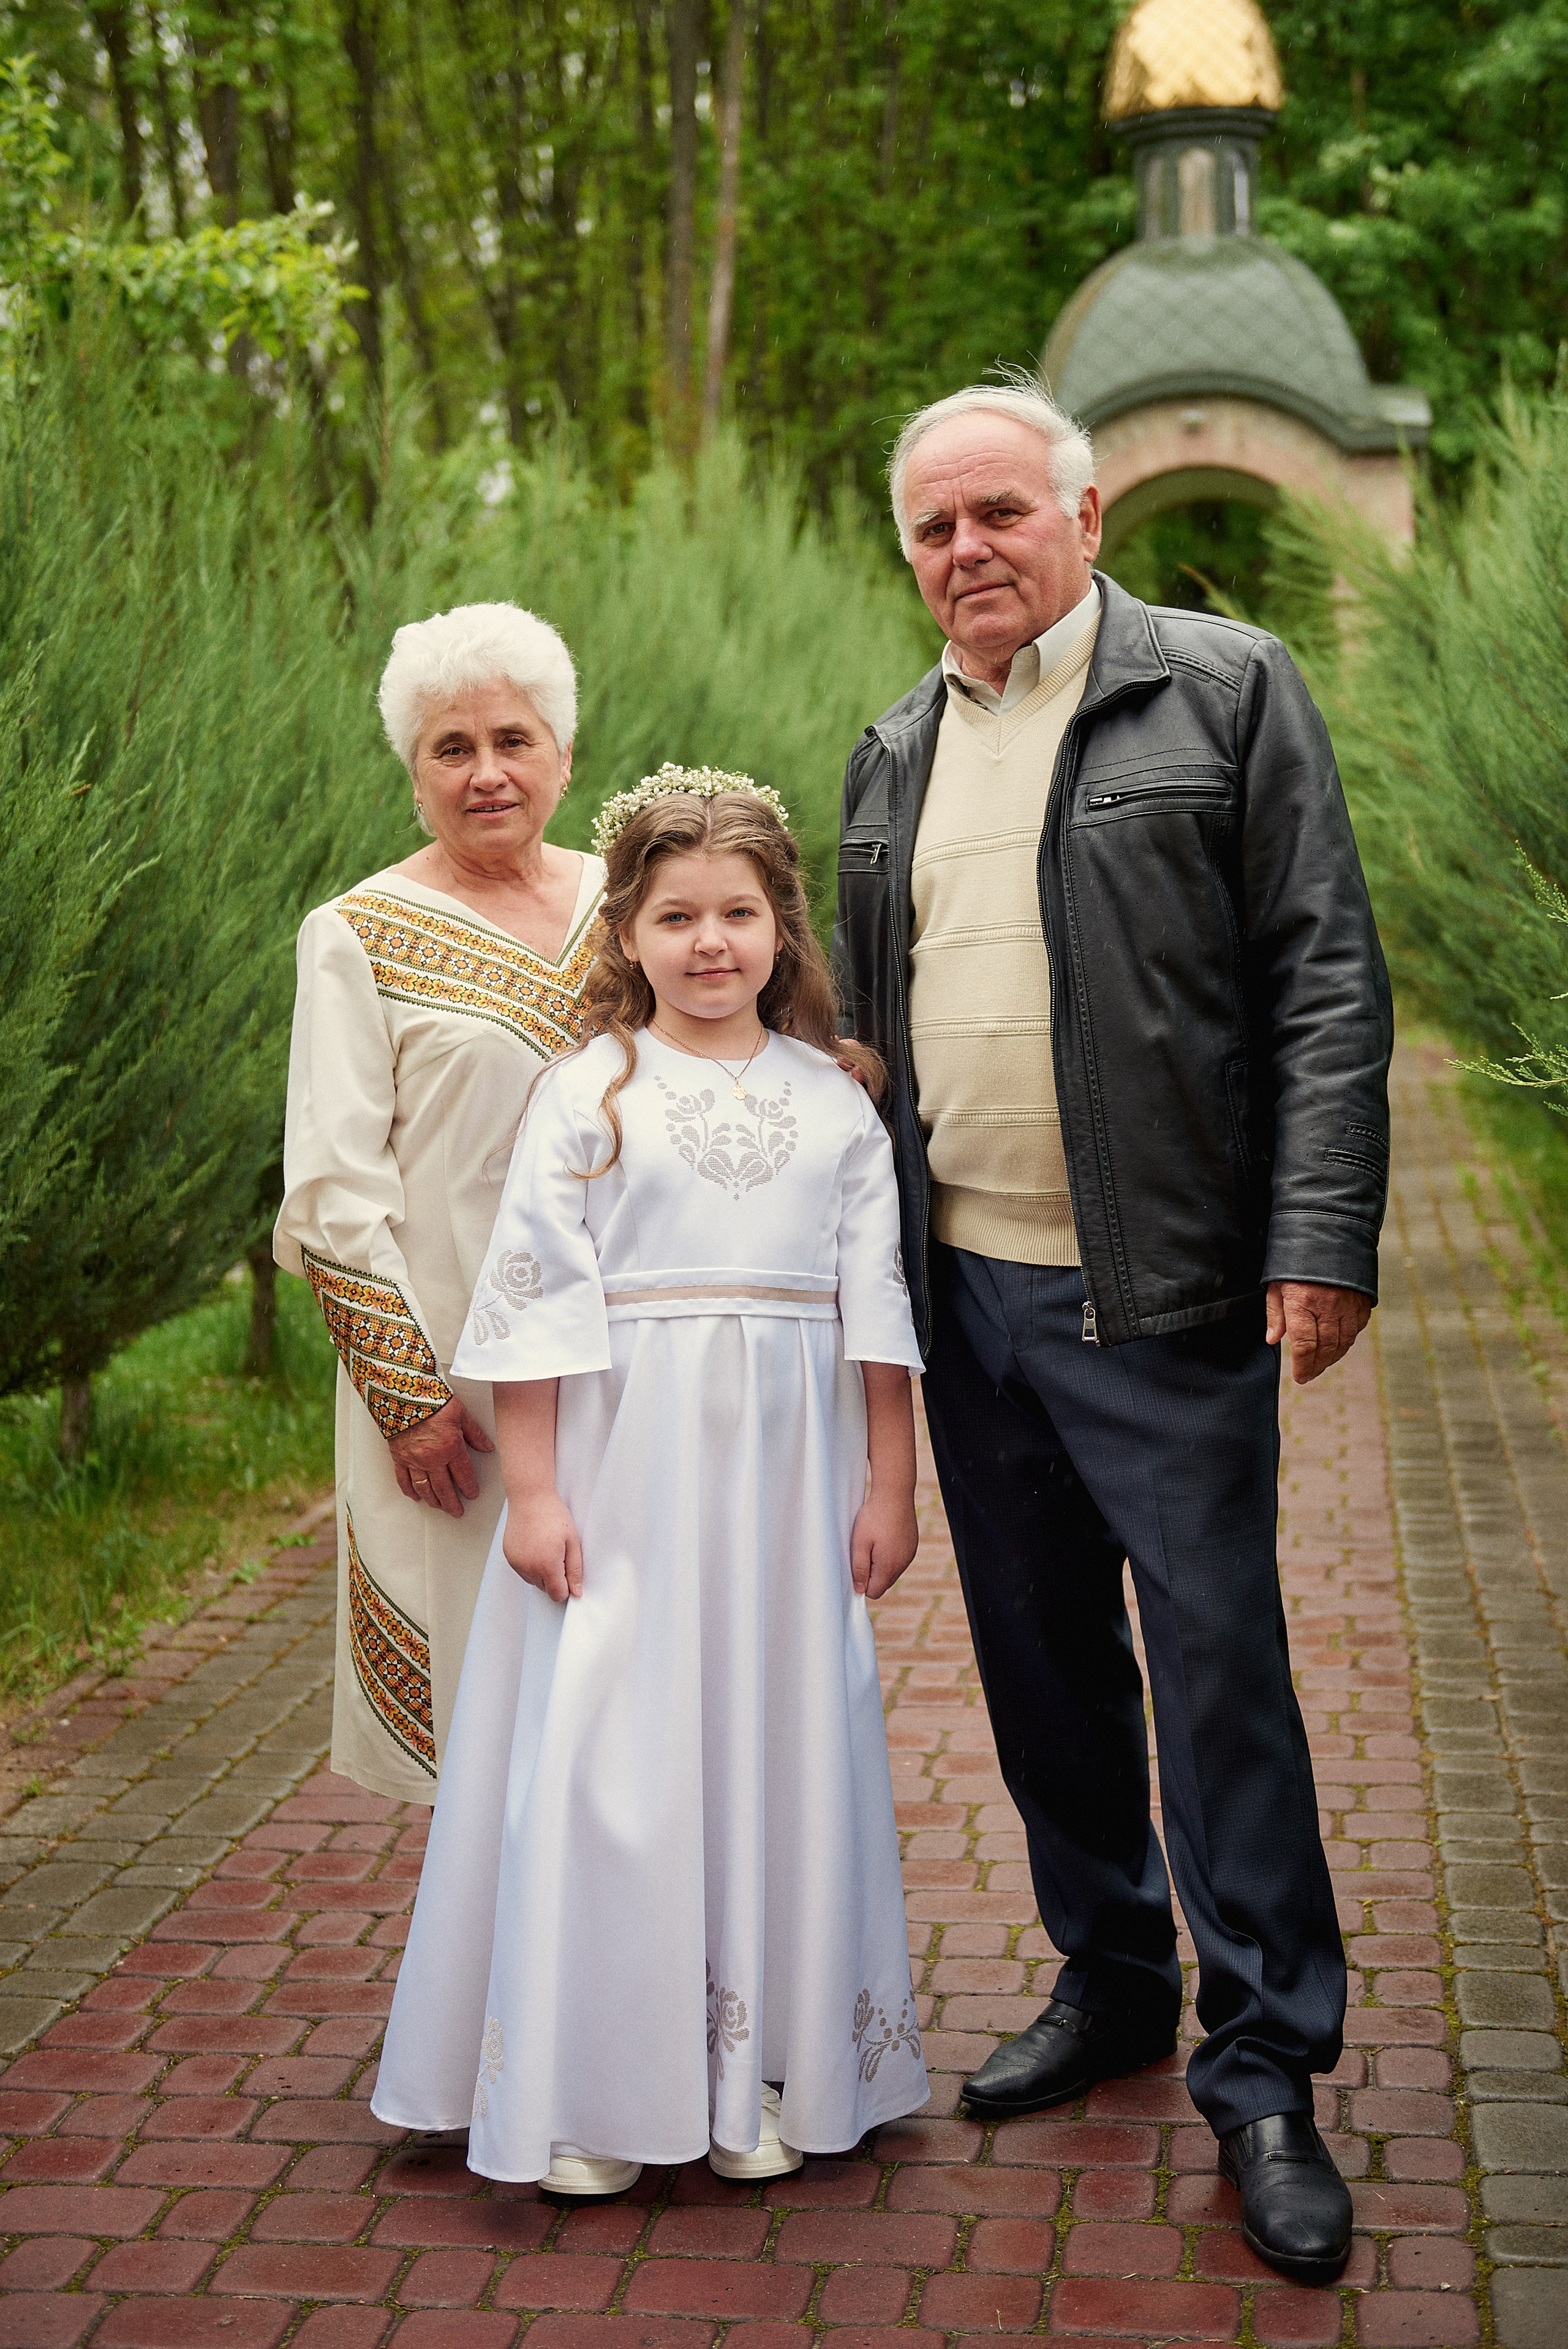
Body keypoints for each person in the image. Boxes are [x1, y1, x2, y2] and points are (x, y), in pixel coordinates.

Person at [832, 377, 1393, 2285]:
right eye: (933, 526)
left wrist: (1318, 1231)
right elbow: (872, 1027)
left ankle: (1267, 2066)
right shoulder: (890, 747)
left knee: (1220, 1672)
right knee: (1043, 1663)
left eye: (999, 510)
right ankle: (1114, 1972)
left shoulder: (1224, 691)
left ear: (1085, 517)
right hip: (965, 1290)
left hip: (1158, 1289)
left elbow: (1325, 973)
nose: (967, 548)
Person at [372, 768, 929, 2193]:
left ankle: (755, 2070)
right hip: (621, 1482)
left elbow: (875, 1307)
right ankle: (593, 2087)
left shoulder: (833, 1103)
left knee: (770, 1746)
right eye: (675, 916)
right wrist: (535, 1494)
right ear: (624, 931)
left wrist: (891, 1483)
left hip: (786, 1490)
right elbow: (531, 1310)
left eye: (736, 913)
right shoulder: (587, 1094)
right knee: (610, 1761)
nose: (707, 942)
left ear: (780, 928)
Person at [275, 603, 605, 1801]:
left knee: (625, 1693)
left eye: (513, 740)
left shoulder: (630, 904)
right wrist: (407, 1400)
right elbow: (330, 1189)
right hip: (456, 1388)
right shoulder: (356, 935)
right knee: (487, 1707)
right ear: (414, 777)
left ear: (562, 753)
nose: (486, 773)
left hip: (630, 1365)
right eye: (450, 749)